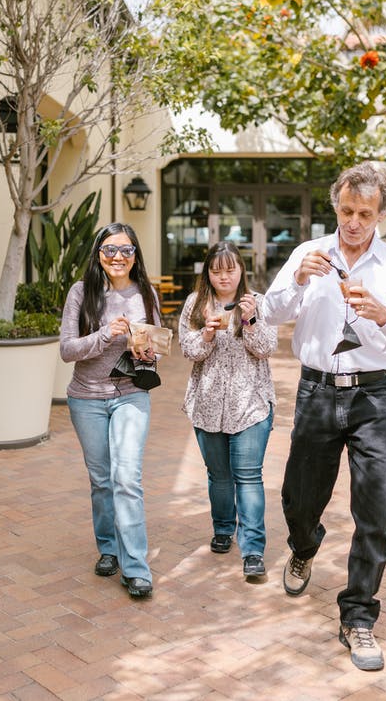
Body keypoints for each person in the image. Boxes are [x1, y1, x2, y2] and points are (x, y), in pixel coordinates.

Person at [263, 162, 386, 670]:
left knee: (378, 505)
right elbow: (269, 313)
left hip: (373, 398)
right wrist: (295, 280)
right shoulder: (307, 254)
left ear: (381, 215)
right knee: (299, 496)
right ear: (336, 205)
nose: (353, 221)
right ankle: (304, 545)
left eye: (365, 213)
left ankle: (358, 616)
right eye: (347, 210)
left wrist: (385, 315)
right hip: (315, 391)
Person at [60, 222, 160, 599]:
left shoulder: (145, 292)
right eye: (110, 250)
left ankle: (136, 567)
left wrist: (147, 351)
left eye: (126, 250)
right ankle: (109, 549)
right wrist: (106, 335)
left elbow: (158, 346)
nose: (118, 257)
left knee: (127, 477)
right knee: (102, 480)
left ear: (136, 255)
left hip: (131, 394)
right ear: (99, 254)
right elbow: (67, 349)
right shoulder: (81, 293)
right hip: (86, 397)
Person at [179, 242, 277, 577]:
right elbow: (188, 350)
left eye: (230, 269)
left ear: (241, 270)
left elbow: (265, 348)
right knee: (219, 476)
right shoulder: (196, 304)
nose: (224, 277)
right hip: (207, 405)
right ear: (208, 272)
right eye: (217, 270)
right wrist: (206, 333)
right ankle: (223, 528)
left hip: (250, 403)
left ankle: (252, 550)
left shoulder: (258, 302)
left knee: (248, 477)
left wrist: (248, 320)